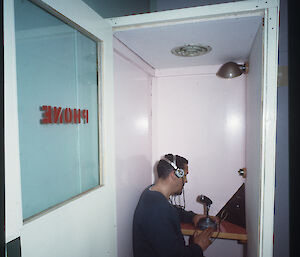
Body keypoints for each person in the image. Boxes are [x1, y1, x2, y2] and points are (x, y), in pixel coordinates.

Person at [132, 153, 214, 257]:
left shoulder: (152, 193)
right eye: (185, 175)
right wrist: (198, 247)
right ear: (175, 175)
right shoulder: (158, 209)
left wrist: (192, 217)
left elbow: (172, 210)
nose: (186, 180)